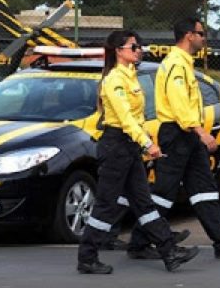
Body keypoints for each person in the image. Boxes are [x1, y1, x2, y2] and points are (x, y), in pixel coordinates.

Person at [125, 17, 220, 260]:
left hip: (186, 136)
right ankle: (139, 242)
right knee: (163, 192)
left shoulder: (184, 63)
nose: (204, 38)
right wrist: (201, 132)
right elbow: (179, 103)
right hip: (177, 133)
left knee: (204, 189)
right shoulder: (176, 64)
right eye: (201, 33)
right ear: (188, 35)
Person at [76, 30, 199, 274]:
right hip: (116, 145)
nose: (139, 49)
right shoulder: (114, 80)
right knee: (106, 205)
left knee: (143, 202)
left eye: (139, 45)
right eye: (134, 46)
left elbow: (138, 119)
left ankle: (169, 251)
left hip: (129, 146)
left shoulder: (131, 76)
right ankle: (87, 257)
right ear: (118, 51)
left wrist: (144, 143)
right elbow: (125, 120)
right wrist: (147, 145)